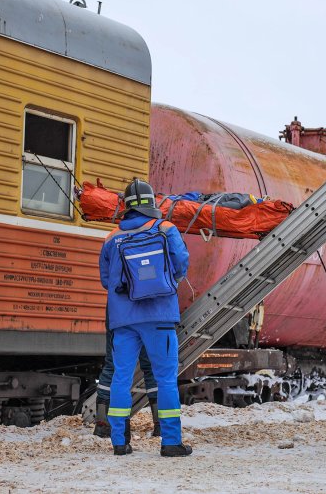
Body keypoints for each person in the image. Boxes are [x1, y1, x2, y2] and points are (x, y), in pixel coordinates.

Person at [99, 178, 191, 457]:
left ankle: (119, 442)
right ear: (152, 203)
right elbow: (181, 265)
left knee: (121, 378)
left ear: (125, 206)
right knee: (164, 379)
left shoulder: (113, 237)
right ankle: (171, 442)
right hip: (160, 316)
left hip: (124, 320)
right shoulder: (166, 229)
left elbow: (106, 280)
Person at [93, 334, 161, 439]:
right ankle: (161, 425)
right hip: (149, 323)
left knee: (115, 367)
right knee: (152, 368)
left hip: (120, 323)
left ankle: (103, 425)